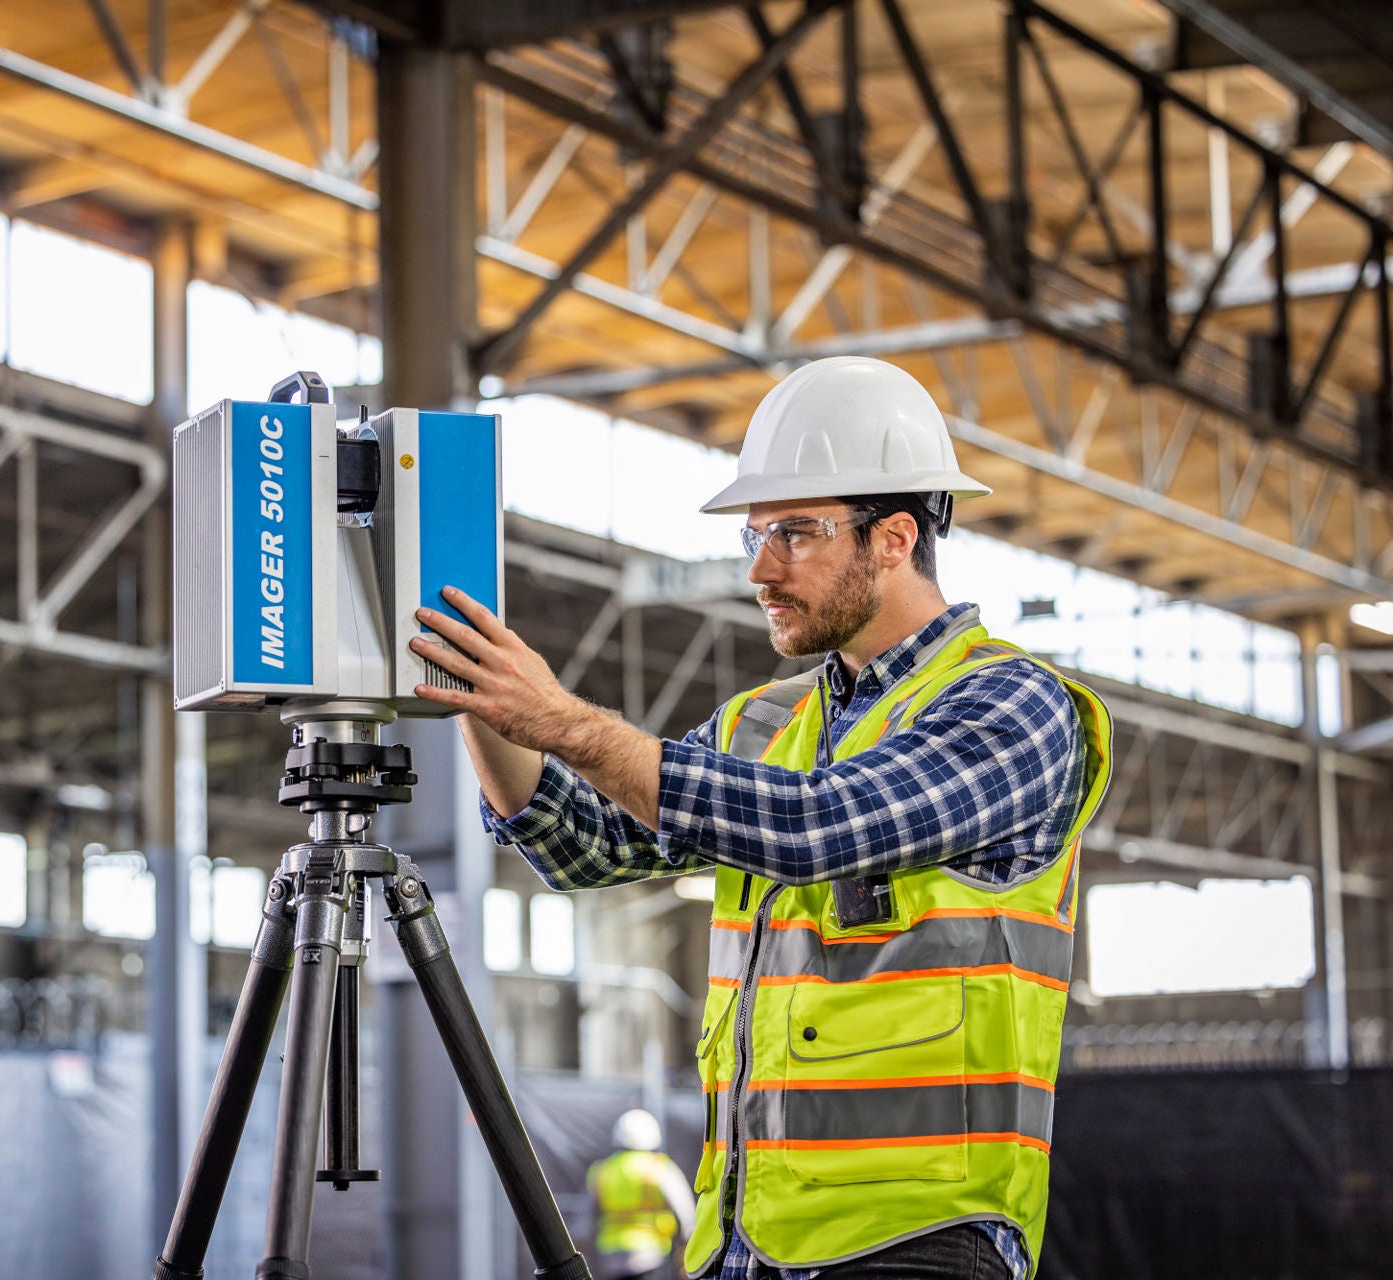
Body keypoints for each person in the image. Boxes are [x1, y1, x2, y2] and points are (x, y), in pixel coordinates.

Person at [406, 356, 1113, 1280]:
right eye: (754, 536)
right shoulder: (761, 723)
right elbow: (581, 846)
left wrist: (564, 721)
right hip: (747, 1239)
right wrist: (485, 696)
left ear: (895, 537)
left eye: (793, 534)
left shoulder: (1013, 705)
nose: (761, 571)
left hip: (920, 1237)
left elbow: (824, 826)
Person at [588, 1108, 696, 1280]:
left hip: (609, 1260)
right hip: (651, 1257)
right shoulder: (659, 1167)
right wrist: (688, 1251)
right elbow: (686, 1215)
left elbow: (583, 1221)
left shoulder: (602, 1170)